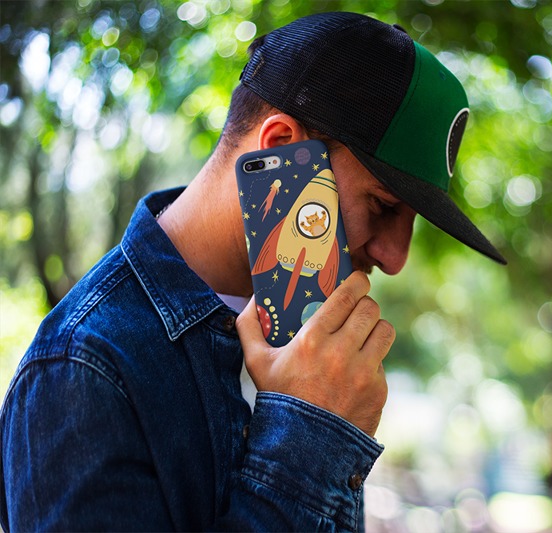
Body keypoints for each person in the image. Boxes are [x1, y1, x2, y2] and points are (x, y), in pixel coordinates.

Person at [0, 12, 505, 531]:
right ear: (281, 147)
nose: (395, 258)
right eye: (382, 205)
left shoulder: (306, 343)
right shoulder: (82, 369)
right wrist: (310, 433)